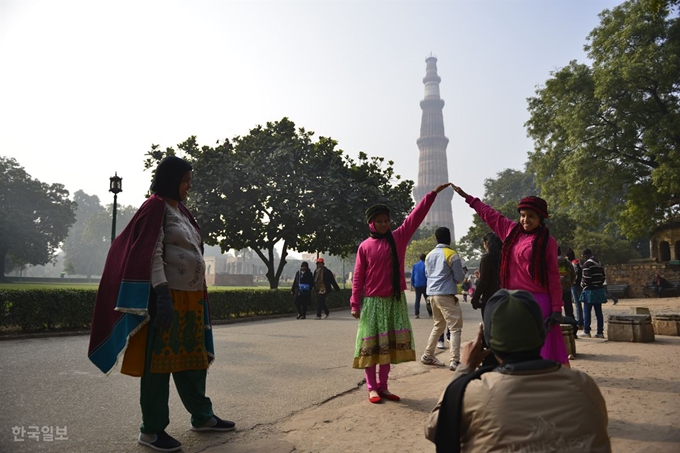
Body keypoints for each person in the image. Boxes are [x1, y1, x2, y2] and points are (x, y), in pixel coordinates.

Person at [88, 156, 234, 453]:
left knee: (194, 360)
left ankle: (202, 416)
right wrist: (163, 296)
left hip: (190, 300)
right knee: (158, 365)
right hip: (165, 300)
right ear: (170, 180)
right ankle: (152, 431)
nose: (189, 187)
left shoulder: (181, 211)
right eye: (185, 181)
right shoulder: (154, 207)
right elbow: (151, 253)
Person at [424, 289, 611, 452]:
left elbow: (434, 429)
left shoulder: (475, 393)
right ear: (541, 333)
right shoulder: (583, 385)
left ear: (487, 341)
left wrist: (464, 370)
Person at [351, 183, 452, 404]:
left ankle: (384, 386)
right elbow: (358, 276)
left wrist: (432, 195)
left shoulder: (398, 238)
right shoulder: (365, 246)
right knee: (371, 347)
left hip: (393, 301)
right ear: (371, 223)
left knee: (386, 347)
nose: (384, 224)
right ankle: (372, 388)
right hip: (373, 302)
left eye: (386, 220)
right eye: (379, 221)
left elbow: (415, 218)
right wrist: (355, 304)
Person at [452, 185, 569, 365]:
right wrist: (469, 198)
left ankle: (546, 384)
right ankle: (518, 384)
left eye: (531, 216)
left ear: (540, 219)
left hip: (539, 302)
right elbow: (489, 214)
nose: (525, 220)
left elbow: (553, 278)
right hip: (514, 300)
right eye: (523, 215)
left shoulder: (547, 242)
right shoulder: (511, 231)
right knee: (514, 347)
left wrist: (556, 309)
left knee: (542, 349)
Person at [420, 227, 466, 371]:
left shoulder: (429, 255)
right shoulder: (452, 254)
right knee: (455, 327)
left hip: (432, 294)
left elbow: (427, 273)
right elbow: (459, 277)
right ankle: (455, 361)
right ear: (449, 238)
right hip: (445, 294)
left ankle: (428, 355)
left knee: (438, 325)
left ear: (436, 239)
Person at [470, 232, 502, 317]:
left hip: (489, 299)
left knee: (489, 327)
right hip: (504, 297)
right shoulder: (505, 258)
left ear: (486, 243)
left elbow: (483, 281)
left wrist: (475, 299)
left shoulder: (487, 259)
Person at [580, 248, 606, 338]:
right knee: (598, 312)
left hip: (589, 290)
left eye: (583, 256)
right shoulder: (599, 263)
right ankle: (600, 332)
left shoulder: (587, 264)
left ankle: (587, 331)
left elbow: (586, 278)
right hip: (598, 289)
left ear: (586, 255)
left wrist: (583, 285)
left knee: (587, 311)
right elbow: (603, 277)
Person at [557, 247, 578, 337]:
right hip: (567, 289)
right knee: (569, 310)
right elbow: (574, 275)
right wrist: (569, 284)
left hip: (555, 290)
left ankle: (558, 332)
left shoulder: (550, 262)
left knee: (556, 311)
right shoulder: (568, 263)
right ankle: (573, 331)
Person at [566, 248, 584, 331]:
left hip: (574, 285)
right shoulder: (577, 262)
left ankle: (580, 322)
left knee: (577, 304)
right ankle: (581, 321)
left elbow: (574, 274)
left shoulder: (573, 263)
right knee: (578, 304)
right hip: (579, 285)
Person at [411, 254, 428, 318]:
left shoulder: (415, 265)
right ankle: (430, 312)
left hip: (417, 284)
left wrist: (413, 283)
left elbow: (412, 275)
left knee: (417, 300)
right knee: (427, 299)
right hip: (425, 284)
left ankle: (416, 313)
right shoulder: (426, 265)